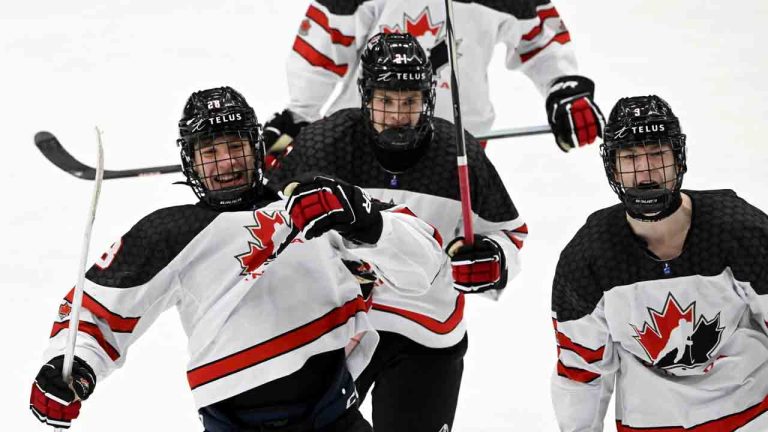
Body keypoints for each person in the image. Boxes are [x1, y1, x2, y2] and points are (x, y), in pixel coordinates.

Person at [28, 86, 446, 431]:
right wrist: (70, 368)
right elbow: (95, 312)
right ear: (191, 162)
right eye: (210, 153)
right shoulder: (169, 231)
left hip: (335, 417)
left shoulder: (309, 206)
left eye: (235, 147)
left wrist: (366, 218)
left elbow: (425, 264)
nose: (226, 163)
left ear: (256, 148)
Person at [267, 33, 527, 431]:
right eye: (385, 101)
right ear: (365, 97)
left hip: (426, 328)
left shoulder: (458, 154)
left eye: (409, 102)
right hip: (337, 327)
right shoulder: (325, 143)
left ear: (428, 99)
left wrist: (495, 259)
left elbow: (510, 234)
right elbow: (268, 219)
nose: (397, 115)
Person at [551, 95, 768, 431]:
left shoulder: (739, 230)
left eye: (657, 153)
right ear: (612, 166)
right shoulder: (589, 257)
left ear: (678, 159)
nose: (646, 170)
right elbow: (582, 374)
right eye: (630, 157)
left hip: (752, 416)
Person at [261, 0, 604, 168]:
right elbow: (325, 44)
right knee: (343, 252)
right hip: (360, 140)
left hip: (455, 145)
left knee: (433, 263)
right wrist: (300, 115)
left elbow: (541, 41)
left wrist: (563, 86)